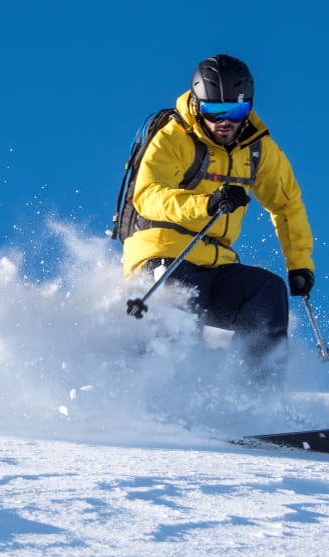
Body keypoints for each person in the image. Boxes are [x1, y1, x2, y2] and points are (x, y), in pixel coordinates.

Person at [122, 54, 315, 382]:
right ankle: (162, 390)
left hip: (215, 264)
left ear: (248, 108)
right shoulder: (174, 137)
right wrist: (206, 203)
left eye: (235, 111)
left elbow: (287, 204)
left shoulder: (257, 149)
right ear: (198, 106)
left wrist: (299, 264)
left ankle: (254, 397)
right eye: (214, 111)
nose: (224, 122)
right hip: (165, 255)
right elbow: (148, 195)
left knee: (267, 292)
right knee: (181, 303)